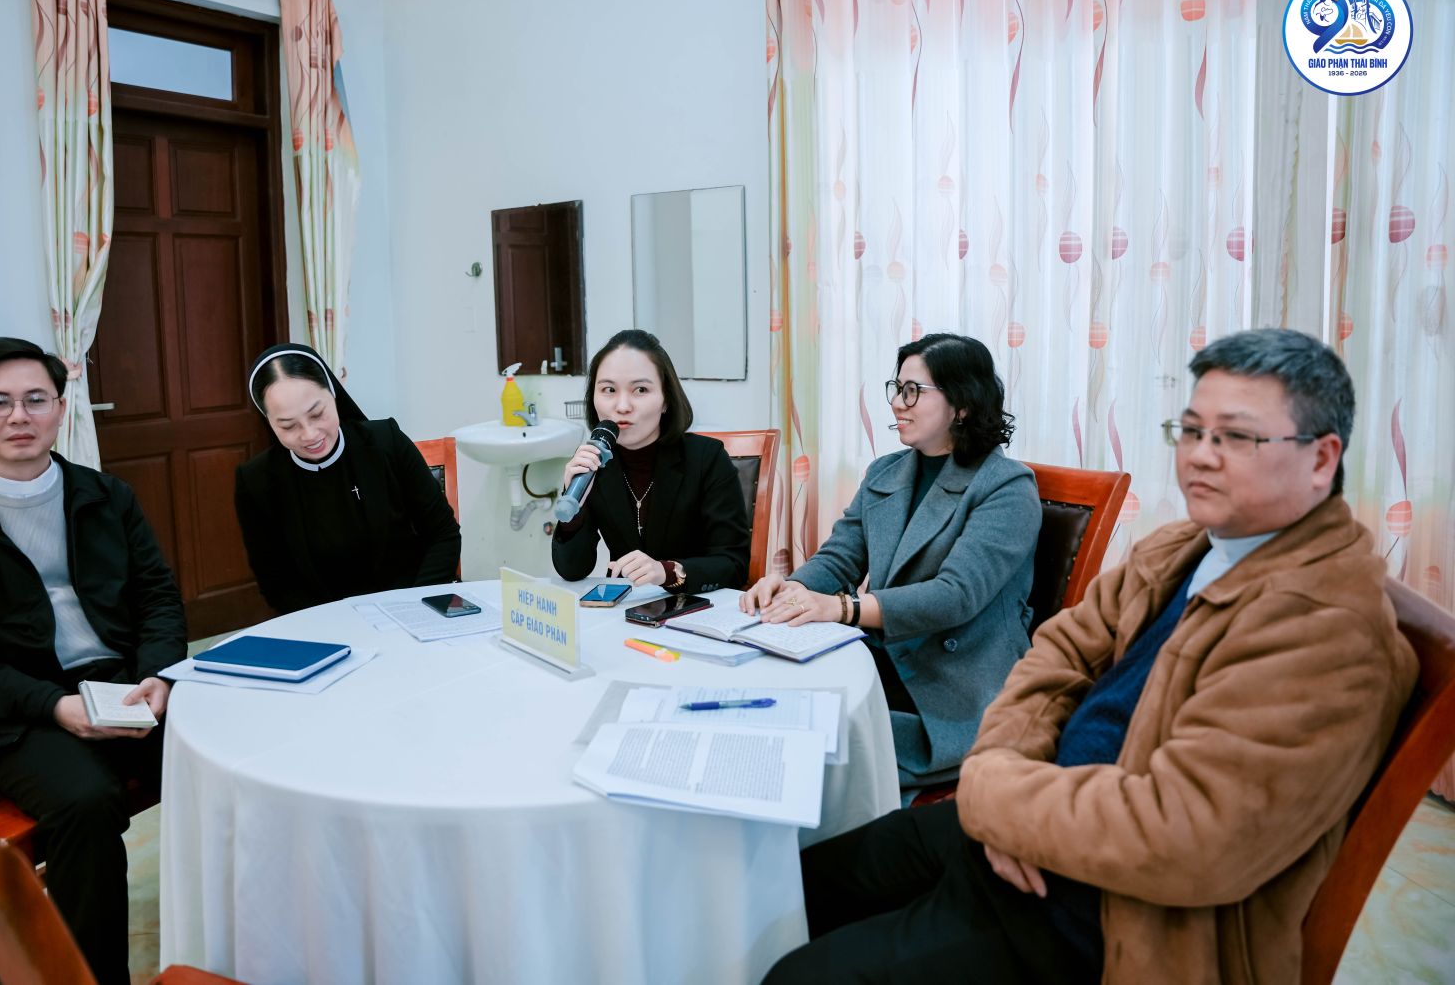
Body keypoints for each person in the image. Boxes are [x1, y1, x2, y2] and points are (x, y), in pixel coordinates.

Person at [764, 328, 1419, 984]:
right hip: (1019, 829)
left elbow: (1187, 835)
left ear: (1320, 458)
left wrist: (1005, 804)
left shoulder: (1331, 631)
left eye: (1236, 437)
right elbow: (1056, 655)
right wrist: (1002, 783)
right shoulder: (1185, 547)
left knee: (797, 975)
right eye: (1191, 431)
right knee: (791, 888)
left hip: (1101, 914)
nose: (1200, 455)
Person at [0, 337, 187, 985]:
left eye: (35, 399)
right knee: (85, 803)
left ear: (60, 407)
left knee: (228, 745)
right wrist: (53, 705)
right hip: (16, 712)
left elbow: (158, 598)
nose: (19, 416)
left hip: (122, 687)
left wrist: (158, 673)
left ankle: (229, 944)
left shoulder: (108, 497)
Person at [741, 333, 1040, 788]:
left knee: (802, 746)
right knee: (765, 706)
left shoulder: (1007, 486)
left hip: (954, 686)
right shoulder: (886, 471)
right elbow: (840, 557)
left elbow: (955, 596)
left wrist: (842, 608)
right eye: (897, 389)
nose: (898, 403)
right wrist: (794, 589)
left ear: (961, 406)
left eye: (913, 391)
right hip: (884, 656)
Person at [235, 343, 460, 613]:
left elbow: (443, 534)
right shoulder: (256, 482)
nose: (309, 434)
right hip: (324, 622)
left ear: (333, 393)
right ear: (269, 422)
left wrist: (414, 607)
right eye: (288, 425)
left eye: (317, 414)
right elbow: (275, 580)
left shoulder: (387, 443)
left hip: (412, 605)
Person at [551, 329, 749, 592]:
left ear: (666, 399)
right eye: (609, 390)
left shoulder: (706, 458)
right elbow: (572, 570)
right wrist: (574, 506)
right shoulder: (594, 462)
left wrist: (666, 571)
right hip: (624, 606)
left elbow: (733, 564)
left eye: (640, 390)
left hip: (695, 605)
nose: (622, 406)